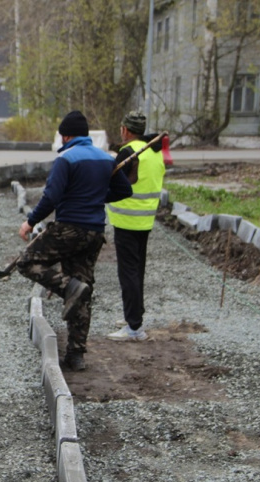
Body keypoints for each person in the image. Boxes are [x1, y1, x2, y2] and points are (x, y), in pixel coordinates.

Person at [15, 111, 132, 371]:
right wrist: (95, 197)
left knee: (27, 263)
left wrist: (30, 221)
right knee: (84, 288)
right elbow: (125, 190)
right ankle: (76, 355)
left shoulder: (65, 159)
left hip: (69, 229)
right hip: (94, 233)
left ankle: (68, 287)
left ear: (65, 135)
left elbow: (51, 197)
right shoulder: (105, 158)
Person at [106, 111, 166, 342]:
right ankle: (133, 316)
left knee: (128, 272)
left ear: (125, 130)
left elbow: (112, 178)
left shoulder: (129, 152)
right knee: (137, 270)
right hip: (145, 220)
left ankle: (134, 327)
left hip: (127, 220)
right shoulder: (153, 151)